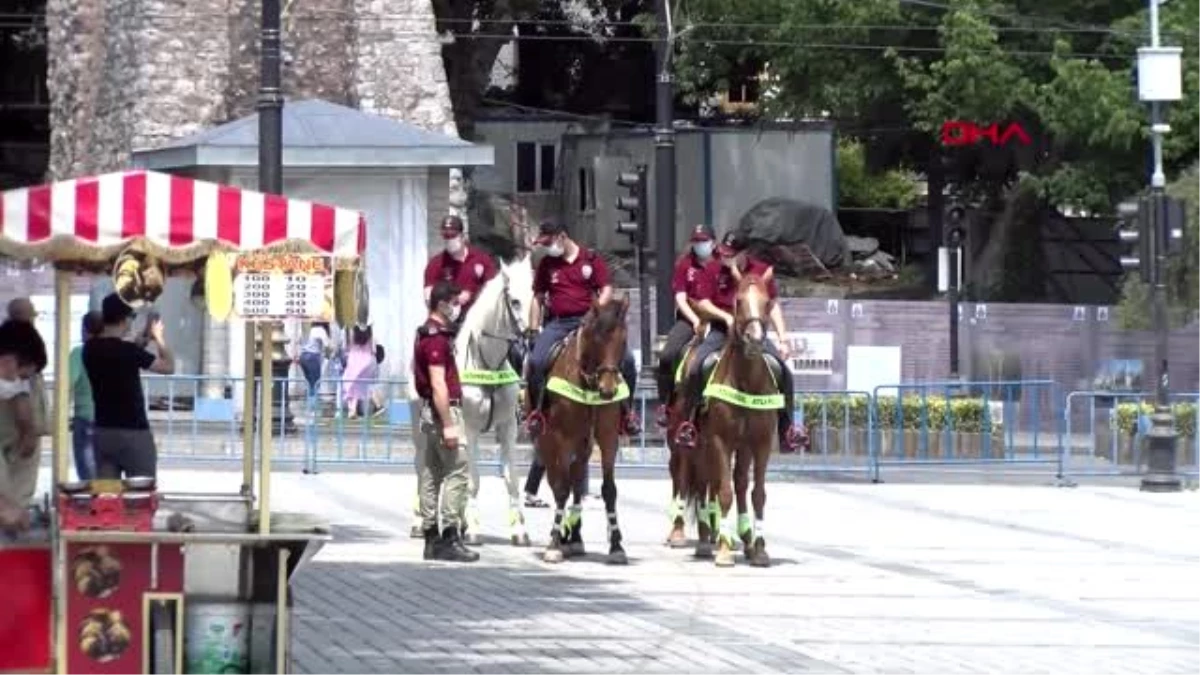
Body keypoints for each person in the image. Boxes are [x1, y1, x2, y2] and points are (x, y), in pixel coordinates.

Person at [673, 232, 800, 453]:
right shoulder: (712, 269)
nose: (725, 257)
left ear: (744, 254)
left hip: (755, 333)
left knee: (782, 370)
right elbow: (703, 302)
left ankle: (787, 428)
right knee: (696, 367)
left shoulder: (760, 271)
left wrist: (783, 337)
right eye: (723, 253)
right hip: (722, 332)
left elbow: (773, 306)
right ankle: (690, 423)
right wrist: (726, 317)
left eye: (731, 254)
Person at [523, 220, 641, 437]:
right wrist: (532, 328)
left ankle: (628, 413)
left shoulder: (591, 260)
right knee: (537, 361)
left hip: (591, 323)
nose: (548, 247)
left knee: (629, 362)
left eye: (549, 242)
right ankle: (538, 413)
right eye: (544, 243)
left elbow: (605, 288)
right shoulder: (547, 264)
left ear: (562, 236)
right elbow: (538, 298)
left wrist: (598, 310)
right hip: (559, 323)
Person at [412, 280, 478, 563]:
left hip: (429, 413)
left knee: (430, 472)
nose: (456, 309)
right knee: (457, 471)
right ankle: (450, 535)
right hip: (443, 411)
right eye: (454, 303)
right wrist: (449, 423)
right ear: (442, 304)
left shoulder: (426, 333)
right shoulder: (437, 338)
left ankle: (430, 536)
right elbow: (439, 384)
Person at [83, 293, 176, 479]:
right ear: (124, 320)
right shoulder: (128, 352)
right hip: (134, 433)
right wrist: (158, 338)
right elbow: (168, 366)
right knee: (139, 498)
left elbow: (124, 349)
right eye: (132, 317)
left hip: (103, 432)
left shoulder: (90, 349)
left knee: (107, 497)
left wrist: (144, 336)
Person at [655, 224, 715, 427]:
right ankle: (665, 403)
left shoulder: (721, 264)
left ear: (713, 242)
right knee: (667, 355)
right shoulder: (684, 265)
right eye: (697, 241)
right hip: (689, 319)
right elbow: (680, 298)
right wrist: (696, 320)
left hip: (718, 320)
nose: (700, 245)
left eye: (704, 241)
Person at [0, 319, 48, 532]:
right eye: (22, 376)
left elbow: (17, 394)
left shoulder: (13, 382)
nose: (22, 383)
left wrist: (28, 431)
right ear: (9, 361)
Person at [422, 215, 498, 320]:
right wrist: (453, 304)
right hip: (450, 322)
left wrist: (471, 295)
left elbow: (494, 288)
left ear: (462, 236)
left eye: (453, 236)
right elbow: (429, 299)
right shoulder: (436, 264)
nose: (449, 241)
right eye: (446, 236)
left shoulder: (482, 259)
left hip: (479, 321)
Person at [68, 311, 103, 481]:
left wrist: (62, 414)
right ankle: (108, 506)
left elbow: (67, 383)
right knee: (107, 475)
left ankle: (93, 506)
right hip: (112, 421)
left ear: (85, 330)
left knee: (88, 476)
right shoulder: (115, 351)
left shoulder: (79, 353)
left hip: (86, 418)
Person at [342, 324, 384, 418]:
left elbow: (346, 348)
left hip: (354, 364)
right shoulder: (370, 337)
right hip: (367, 363)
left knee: (349, 385)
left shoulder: (353, 338)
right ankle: (377, 405)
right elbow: (374, 350)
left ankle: (352, 410)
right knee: (363, 385)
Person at [297, 321, 331, 399]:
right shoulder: (320, 330)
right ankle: (313, 405)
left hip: (303, 357)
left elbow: (299, 341)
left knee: (308, 382)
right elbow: (327, 345)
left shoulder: (306, 329)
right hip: (313, 357)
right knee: (315, 383)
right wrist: (327, 357)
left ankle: (310, 400)